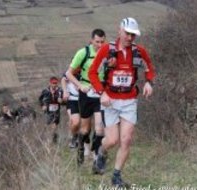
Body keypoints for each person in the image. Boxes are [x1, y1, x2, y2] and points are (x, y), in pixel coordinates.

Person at [88, 17, 155, 187]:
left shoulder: (139, 51)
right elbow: (92, 73)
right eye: (128, 34)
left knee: (126, 140)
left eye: (133, 35)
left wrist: (149, 82)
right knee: (112, 140)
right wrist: (101, 93)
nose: (130, 38)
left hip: (129, 100)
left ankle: (116, 176)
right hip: (110, 101)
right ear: (120, 31)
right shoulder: (106, 50)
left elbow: (149, 67)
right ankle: (101, 152)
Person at [66, 28, 106, 166]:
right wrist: (79, 85)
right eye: (97, 42)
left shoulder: (107, 53)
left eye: (102, 42)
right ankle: (82, 148)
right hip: (86, 92)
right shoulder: (83, 53)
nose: (100, 45)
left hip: (100, 92)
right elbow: (68, 74)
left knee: (100, 128)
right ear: (91, 40)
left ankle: (96, 157)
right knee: (85, 129)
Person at [38, 76, 63, 143]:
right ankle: (42, 136)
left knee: (54, 126)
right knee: (46, 124)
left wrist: (62, 101)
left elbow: (64, 101)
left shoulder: (60, 91)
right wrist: (42, 106)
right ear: (50, 83)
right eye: (53, 83)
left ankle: (52, 139)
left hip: (56, 111)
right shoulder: (45, 91)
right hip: (48, 110)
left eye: (55, 83)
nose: (54, 84)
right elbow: (40, 99)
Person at [61, 71, 80, 148]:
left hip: (82, 100)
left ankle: (78, 137)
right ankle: (73, 137)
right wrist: (65, 91)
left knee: (80, 123)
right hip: (71, 100)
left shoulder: (85, 71)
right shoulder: (69, 72)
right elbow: (63, 79)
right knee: (74, 121)